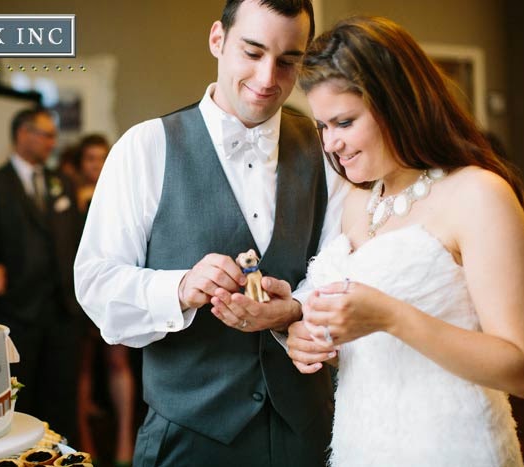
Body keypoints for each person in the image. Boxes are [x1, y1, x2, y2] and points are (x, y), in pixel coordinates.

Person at [74, 1, 343, 465]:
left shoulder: (326, 148)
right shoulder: (145, 147)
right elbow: (95, 281)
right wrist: (177, 287)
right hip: (189, 437)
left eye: (287, 61)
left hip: (308, 430)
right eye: (253, 52)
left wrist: (295, 307)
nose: (266, 78)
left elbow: (343, 261)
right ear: (217, 39)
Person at [286, 16, 524, 466]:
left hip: (452, 447)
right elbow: (366, 346)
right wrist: (308, 335)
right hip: (361, 445)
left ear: (395, 103)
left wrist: (391, 316)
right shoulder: (355, 203)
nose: (332, 144)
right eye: (323, 126)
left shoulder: (478, 195)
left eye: (344, 122)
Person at [0, 107, 84, 443]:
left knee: (63, 399)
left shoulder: (61, 182)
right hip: (19, 311)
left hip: (63, 310)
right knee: (25, 400)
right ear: (22, 134)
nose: (52, 142)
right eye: (45, 134)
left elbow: (76, 237)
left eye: (53, 135)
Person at [69, 134, 137, 466]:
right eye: (89, 158)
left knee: (117, 362)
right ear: (80, 164)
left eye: (101, 157)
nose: (96, 164)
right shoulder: (68, 199)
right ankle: (85, 444)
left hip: (116, 288)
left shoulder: (119, 192)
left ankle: (126, 441)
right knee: (80, 368)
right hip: (77, 296)